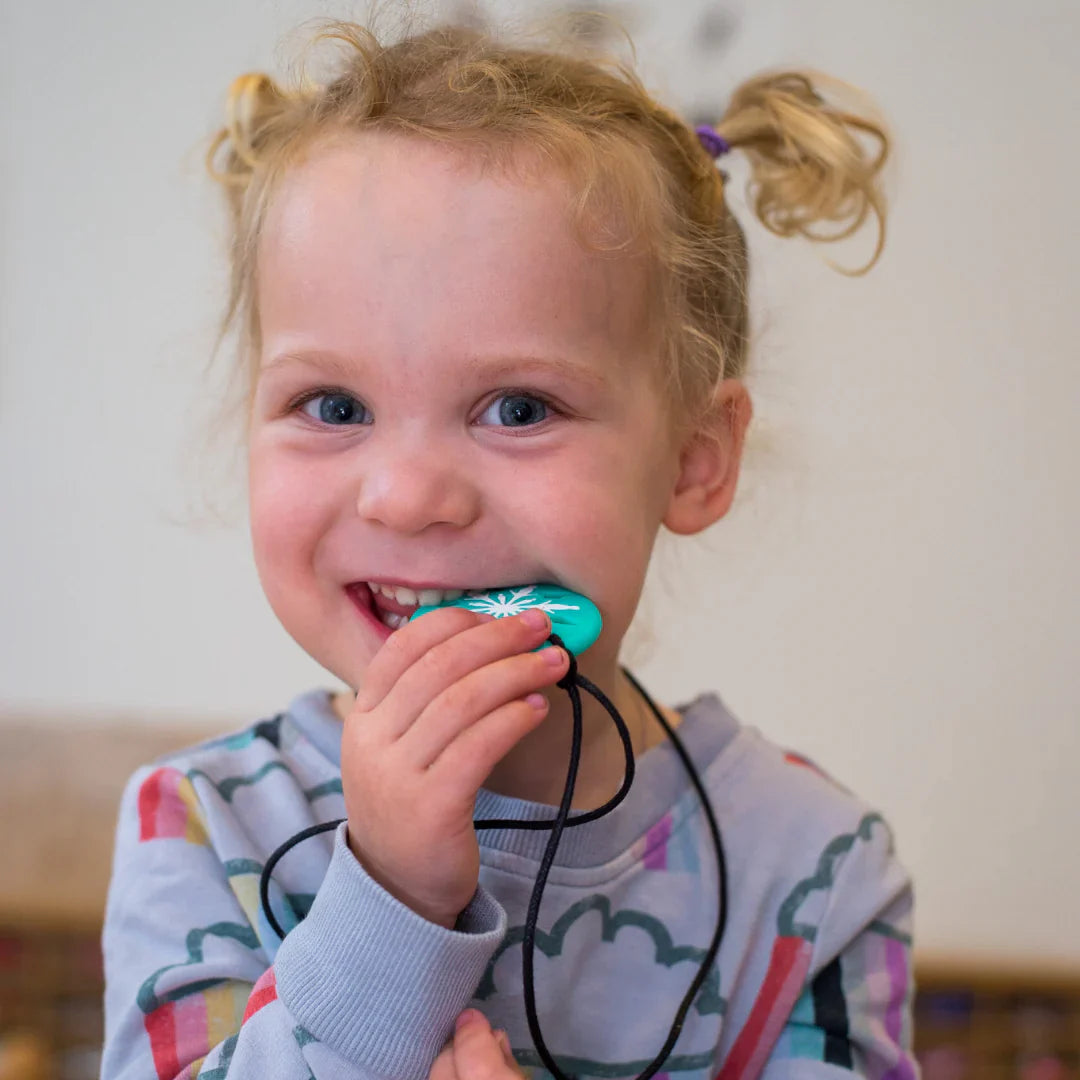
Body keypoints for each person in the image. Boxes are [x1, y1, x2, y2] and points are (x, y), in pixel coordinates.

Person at [100, 15, 916, 1080]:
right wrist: (389, 901)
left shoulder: (815, 866)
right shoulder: (200, 826)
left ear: (692, 461)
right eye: (333, 403)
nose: (407, 498)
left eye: (519, 407)